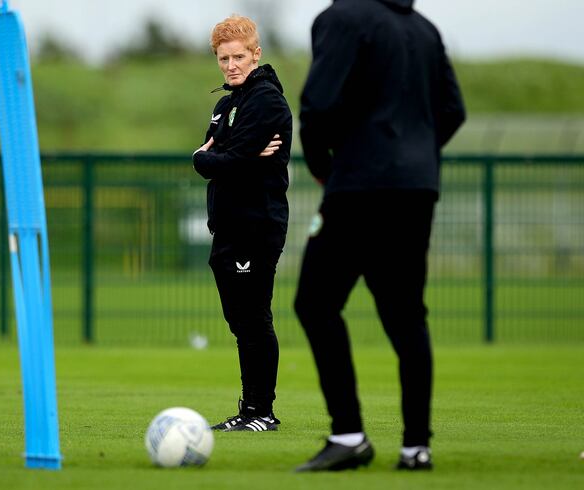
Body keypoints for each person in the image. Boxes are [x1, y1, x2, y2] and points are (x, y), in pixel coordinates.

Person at [293, 0, 465, 471]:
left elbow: (317, 105)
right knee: (407, 314)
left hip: (360, 186)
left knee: (315, 302)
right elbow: (453, 109)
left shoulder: (341, 17)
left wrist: (326, 167)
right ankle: (415, 447)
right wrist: (415, 157)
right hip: (416, 188)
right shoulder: (424, 29)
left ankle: (348, 435)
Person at [193, 15, 292, 432]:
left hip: (256, 226)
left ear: (256, 54)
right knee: (241, 323)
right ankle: (250, 409)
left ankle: (260, 412)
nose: (231, 65)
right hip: (228, 226)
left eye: (238, 56)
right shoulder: (226, 104)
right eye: (223, 58)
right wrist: (225, 158)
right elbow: (223, 158)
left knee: (254, 321)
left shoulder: (266, 100)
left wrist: (210, 158)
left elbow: (220, 160)